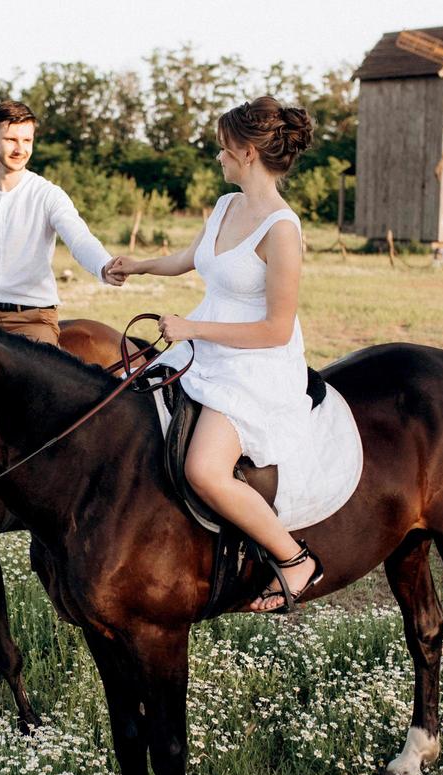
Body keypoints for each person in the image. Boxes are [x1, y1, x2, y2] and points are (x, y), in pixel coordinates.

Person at [105, 96, 321, 612]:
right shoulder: (226, 206)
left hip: (252, 366)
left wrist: (191, 327)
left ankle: (295, 560)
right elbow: (190, 258)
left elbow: (275, 328)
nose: (217, 157)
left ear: (247, 153)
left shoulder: (282, 231)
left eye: (223, 148)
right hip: (207, 345)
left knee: (204, 469)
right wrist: (138, 265)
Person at [0, 100, 124, 347]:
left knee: (41, 384)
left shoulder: (48, 195)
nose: (20, 149)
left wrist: (103, 265)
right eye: (11, 140)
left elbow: (79, 238)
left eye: (27, 141)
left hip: (33, 319)